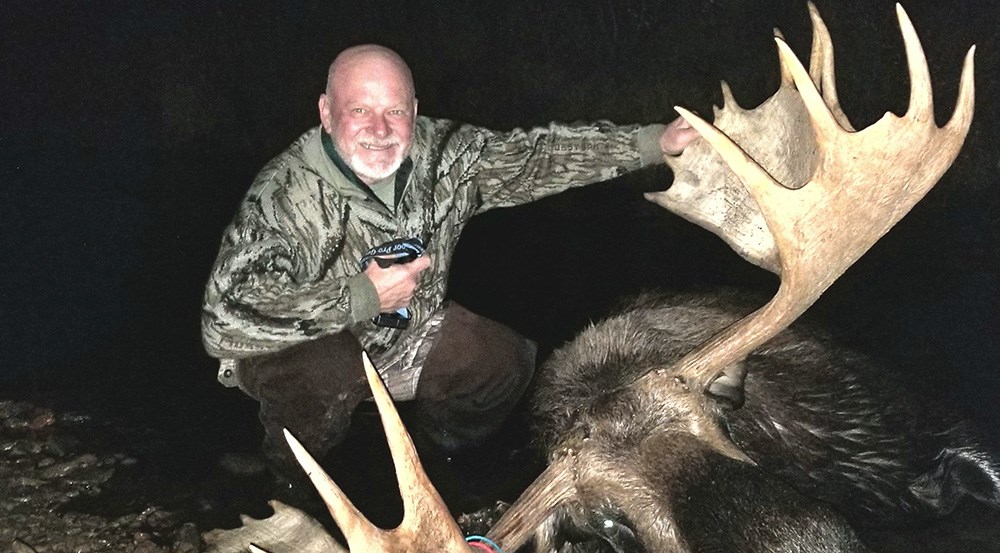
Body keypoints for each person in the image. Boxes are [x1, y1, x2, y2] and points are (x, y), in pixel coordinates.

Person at [202, 44, 698, 499]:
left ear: (414, 112)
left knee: (499, 361)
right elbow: (224, 318)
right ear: (326, 113)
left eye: (395, 111)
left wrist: (655, 142)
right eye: (360, 111)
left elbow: (538, 158)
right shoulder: (283, 192)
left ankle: (436, 470)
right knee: (326, 371)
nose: (380, 130)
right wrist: (359, 297)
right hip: (298, 351)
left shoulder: (448, 156)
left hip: (402, 339)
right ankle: (285, 484)